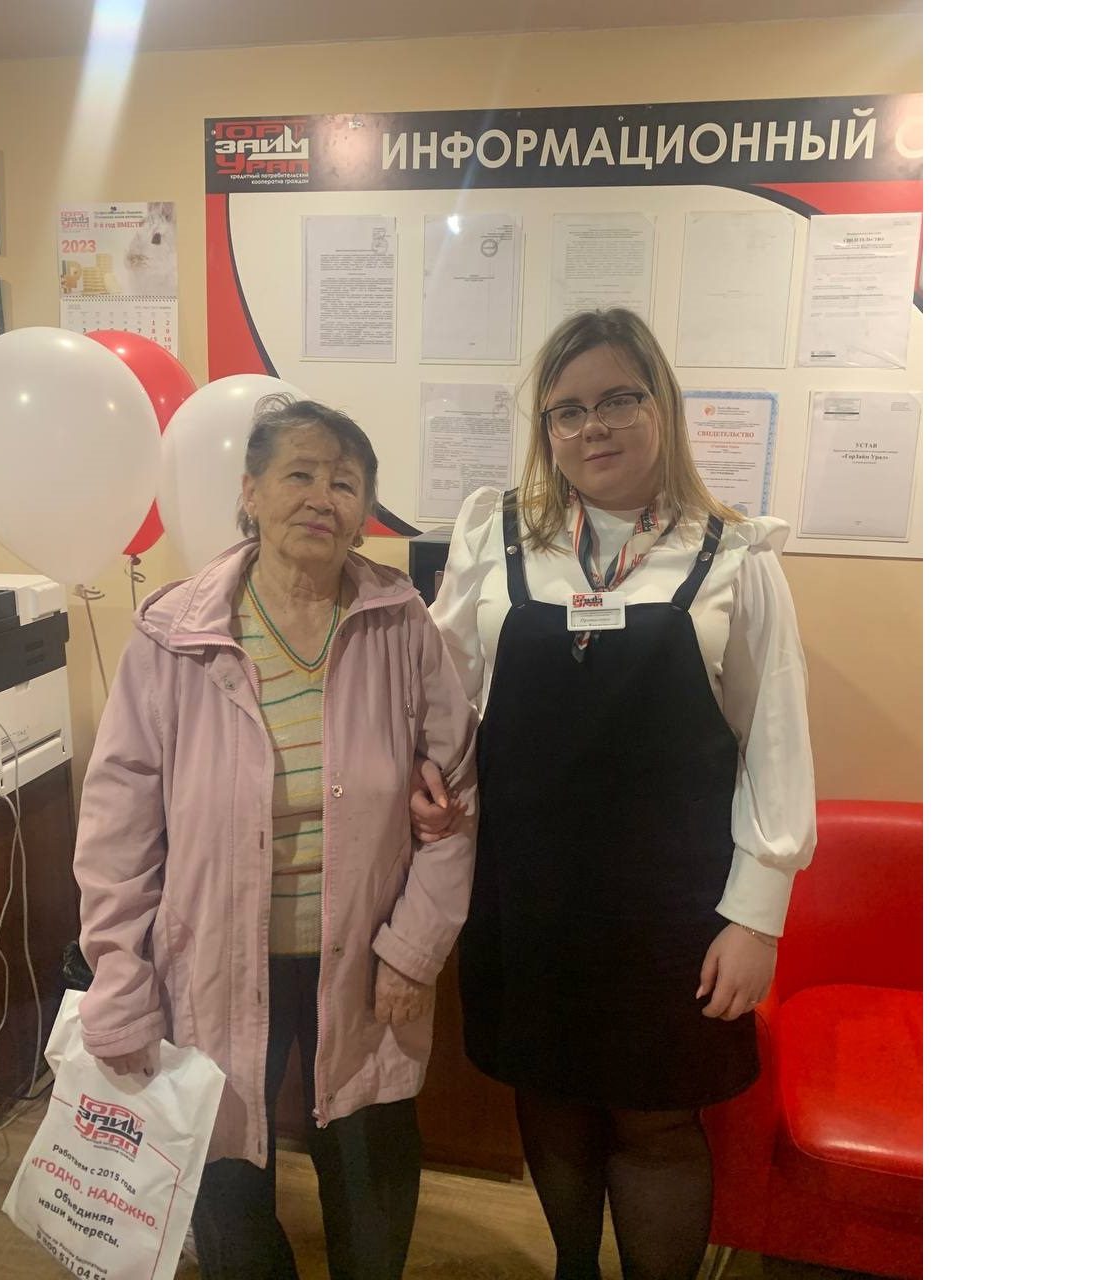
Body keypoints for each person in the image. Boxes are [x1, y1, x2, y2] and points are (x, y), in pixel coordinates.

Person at [415, 308, 816, 1280]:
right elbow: (443, 690)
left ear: (660, 407)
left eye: (618, 399)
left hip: (674, 906)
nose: (593, 426)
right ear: (546, 428)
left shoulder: (733, 553)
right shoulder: (496, 535)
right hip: (528, 890)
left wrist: (756, 917)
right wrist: (429, 777)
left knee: (657, 1118)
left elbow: (776, 745)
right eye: (567, 409)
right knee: (550, 1095)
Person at [74, 395, 478, 1280]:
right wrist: (120, 972)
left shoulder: (401, 624)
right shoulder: (175, 635)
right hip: (212, 954)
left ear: (363, 512)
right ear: (250, 492)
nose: (322, 497)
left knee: (370, 1172)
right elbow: (118, 826)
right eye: (299, 473)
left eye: (345, 482)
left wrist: (414, 949)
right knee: (224, 1182)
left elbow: (458, 799)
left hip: (367, 956)